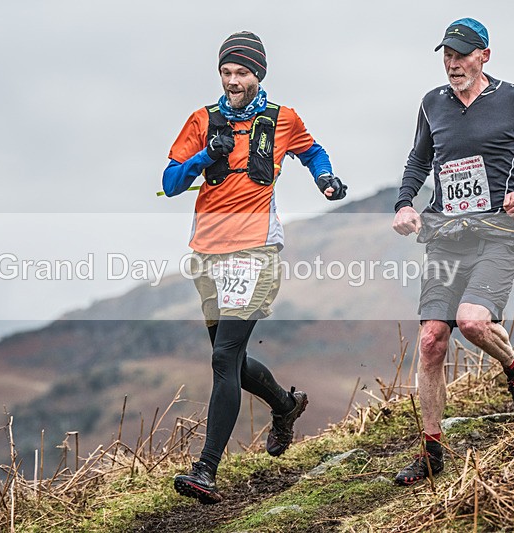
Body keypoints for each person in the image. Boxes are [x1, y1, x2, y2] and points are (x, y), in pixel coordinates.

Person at [162, 31, 347, 504]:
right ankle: (285, 407)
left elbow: (312, 151)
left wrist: (324, 177)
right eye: (225, 73)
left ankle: (205, 470)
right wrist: (208, 155)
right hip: (207, 251)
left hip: (255, 250)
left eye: (240, 73)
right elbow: (169, 180)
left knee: (223, 358)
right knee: (234, 362)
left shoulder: (282, 119)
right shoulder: (202, 120)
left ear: (257, 74)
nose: (232, 82)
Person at [391, 18, 514, 486]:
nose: (452, 64)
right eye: (446, 55)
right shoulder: (432, 104)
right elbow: (418, 160)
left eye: (462, 55)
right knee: (431, 341)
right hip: (447, 236)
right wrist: (405, 202)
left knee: (471, 322)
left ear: (484, 55)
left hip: (496, 235)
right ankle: (431, 452)